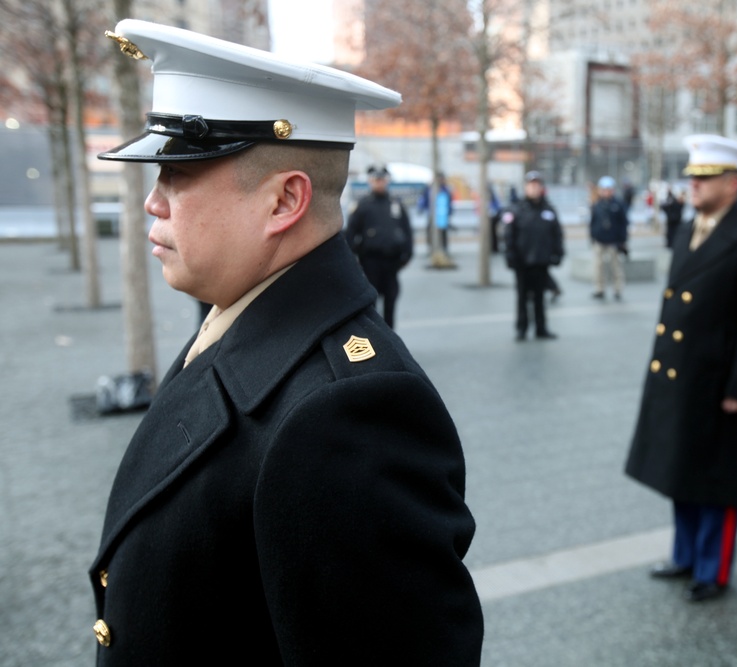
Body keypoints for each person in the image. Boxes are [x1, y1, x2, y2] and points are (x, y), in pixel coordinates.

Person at [90, 20, 483, 665]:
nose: (152, 205)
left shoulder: (345, 415)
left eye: (177, 177)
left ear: (283, 202)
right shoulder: (240, 323)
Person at [625, 134, 737, 603]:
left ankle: (712, 569)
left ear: (733, 183)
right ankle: (685, 555)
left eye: (705, 177)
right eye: (692, 176)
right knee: (682, 472)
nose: (693, 185)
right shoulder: (692, 227)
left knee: (716, 481)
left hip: (720, 385)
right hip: (682, 378)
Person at [345, 164, 414, 328]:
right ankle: (376, 339)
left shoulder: (395, 204)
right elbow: (351, 233)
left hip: (392, 262)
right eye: (376, 179)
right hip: (370, 261)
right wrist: (354, 256)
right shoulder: (363, 205)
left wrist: (407, 254)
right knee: (371, 303)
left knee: (391, 300)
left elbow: (406, 230)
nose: (379, 183)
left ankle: (391, 338)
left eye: (382, 179)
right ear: (370, 181)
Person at [502, 171, 563, 341]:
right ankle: (522, 328)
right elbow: (509, 235)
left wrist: (558, 253)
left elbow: (557, 233)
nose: (534, 188)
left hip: (541, 261)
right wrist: (510, 256)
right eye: (531, 185)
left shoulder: (548, 209)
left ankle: (541, 328)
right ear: (526, 187)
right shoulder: (517, 209)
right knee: (522, 298)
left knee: (539, 297)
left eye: (537, 185)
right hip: (522, 262)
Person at [590, 175, 629, 300]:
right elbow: (593, 222)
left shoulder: (618, 204)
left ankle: (618, 289)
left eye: (608, 189)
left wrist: (622, 241)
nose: (606, 192)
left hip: (614, 241)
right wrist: (592, 236)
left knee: (616, 267)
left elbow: (624, 223)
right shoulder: (597, 204)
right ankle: (599, 289)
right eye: (603, 189)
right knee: (598, 267)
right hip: (600, 240)